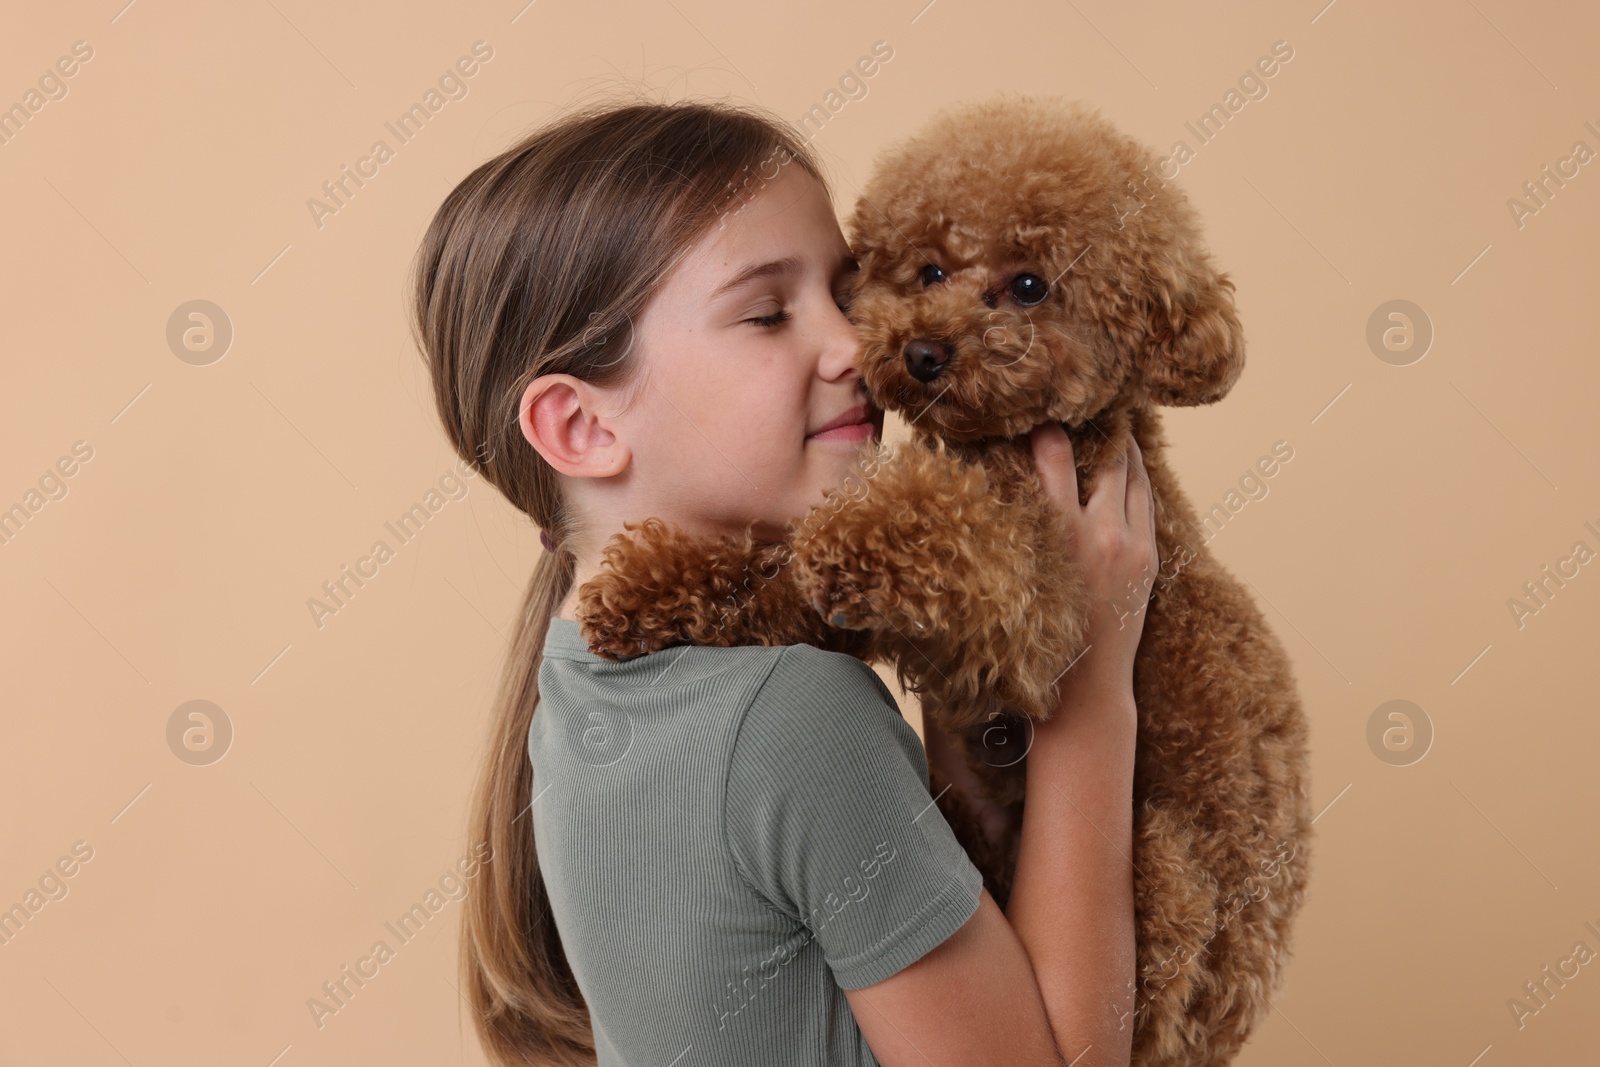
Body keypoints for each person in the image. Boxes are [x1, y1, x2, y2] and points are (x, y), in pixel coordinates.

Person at [410, 94, 1157, 1067]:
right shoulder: (791, 714)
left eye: (847, 294)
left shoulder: (576, 680)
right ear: (582, 427)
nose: (854, 345)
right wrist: (1087, 691)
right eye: (767, 312)